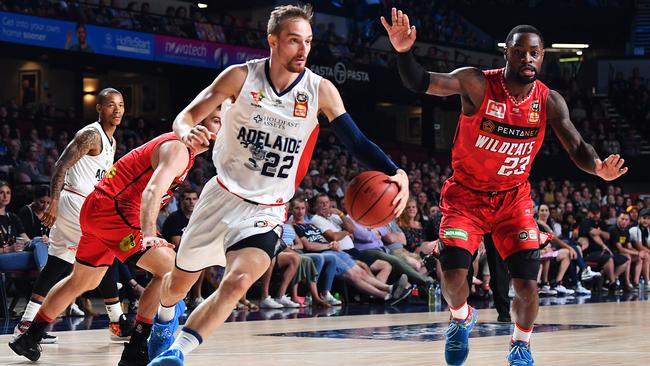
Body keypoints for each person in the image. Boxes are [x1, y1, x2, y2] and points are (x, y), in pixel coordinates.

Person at [148, 5, 409, 365]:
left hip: (267, 210)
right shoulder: (239, 77)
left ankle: (178, 352)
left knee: (238, 282)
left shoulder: (320, 90)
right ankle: (163, 321)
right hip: (221, 197)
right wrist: (185, 133)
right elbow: (186, 116)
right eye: (293, 41)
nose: (303, 50)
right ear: (272, 41)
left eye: (308, 42)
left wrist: (397, 172)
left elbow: (357, 143)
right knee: (176, 286)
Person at [381, 8, 628, 365]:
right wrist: (404, 52)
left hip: (513, 200)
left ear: (542, 56)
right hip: (466, 197)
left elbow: (576, 146)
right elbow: (420, 82)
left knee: (527, 283)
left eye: (534, 52)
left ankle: (520, 344)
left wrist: (597, 169)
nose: (527, 58)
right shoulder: (476, 83)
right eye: (520, 51)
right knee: (452, 278)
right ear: (506, 52)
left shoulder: (548, 100)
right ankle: (461, 316)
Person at [8, 115, 220, 365]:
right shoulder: (178, 149)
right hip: (115, 212)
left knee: (83, 279)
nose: (222, 129)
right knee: (170, 269)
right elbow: (152, 191)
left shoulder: (180, 148)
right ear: (199, 125)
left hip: (98, 208)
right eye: (217, 121)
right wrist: (150, 234)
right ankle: (137, 347)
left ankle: (30, 337)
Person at [12, 88, 127, 344]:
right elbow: (60, 165)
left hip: (84, 205)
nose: (117, 109)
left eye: (120, 104)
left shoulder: (112, 141)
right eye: (110, 105)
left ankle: (26, 323)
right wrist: (53, 202)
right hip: (75, 203)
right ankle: (117, 320)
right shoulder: (89, 135)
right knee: (104, 251)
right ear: (99, 108)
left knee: (56, 264)